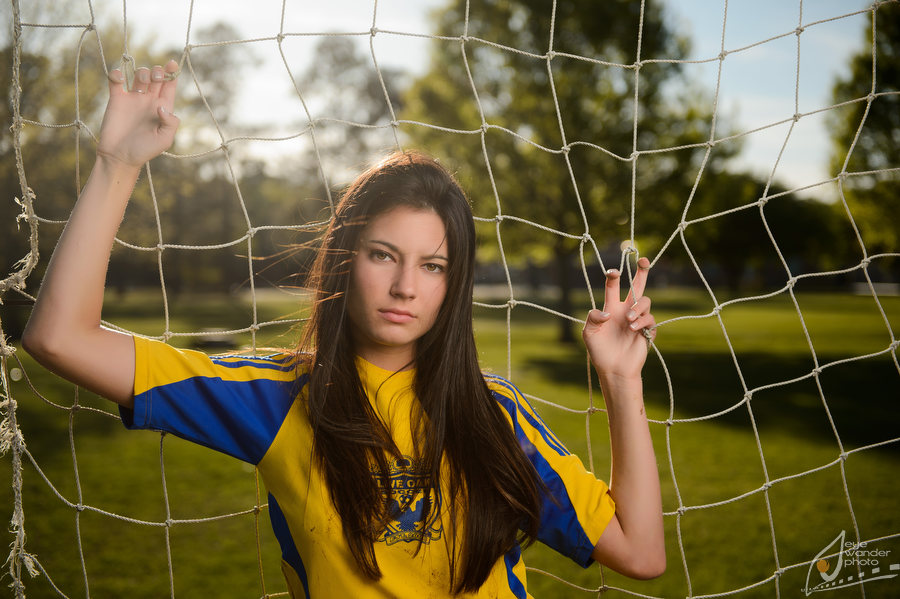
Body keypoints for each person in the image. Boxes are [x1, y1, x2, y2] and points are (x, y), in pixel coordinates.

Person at [22, 60, 665, 598]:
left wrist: (619, 377)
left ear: (453, 282)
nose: (406, 286)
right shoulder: (277, 399)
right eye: (383, 255)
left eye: (432, 265)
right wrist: (115, 164)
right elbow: (60, 338)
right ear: (343, 260)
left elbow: (641, 553)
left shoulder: (493, 417)